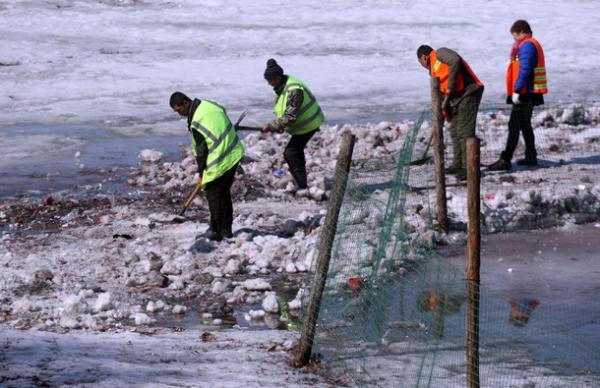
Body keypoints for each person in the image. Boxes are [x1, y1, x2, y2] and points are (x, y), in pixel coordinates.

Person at [169, 92, 244, 242]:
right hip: (234, 151)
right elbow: (222, 114)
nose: (179, 114)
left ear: (185, 103)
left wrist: (203, 173)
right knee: (223, 192)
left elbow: (202, 151)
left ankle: (215, 231)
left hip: (220, 159)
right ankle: (226, 230)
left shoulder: (196, 121)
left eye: (179, 110)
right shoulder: (209, 104)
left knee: (212, 192)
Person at [417, 45, 484, 180]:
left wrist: (450, 88)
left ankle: (469, 168)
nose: (422, 66)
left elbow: (455, 61)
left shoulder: (440, 53)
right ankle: (458, 164)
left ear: (424, 57)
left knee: (464, 131)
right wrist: (443, 111)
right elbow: (441, 93)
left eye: (420, 63)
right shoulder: (433, 71)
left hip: (469, 92)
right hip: (456, 99)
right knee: (454, 131)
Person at [490, 20, 548, 171]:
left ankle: (506, 159)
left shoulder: (527, 45)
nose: (514, 39)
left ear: (521, 31)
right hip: (528, 92)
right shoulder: (527, 44)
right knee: (524, 125)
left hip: (525, 93)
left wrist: (516, 90)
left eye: (515, 35)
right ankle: (531, 157)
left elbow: (525, 70)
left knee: (514, 125)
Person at [261, 58, 324, 190]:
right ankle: (301, 183)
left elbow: (290, 116)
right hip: (303, 125)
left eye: (270, 80)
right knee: (293, 152)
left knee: (291, 152)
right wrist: (280, 126)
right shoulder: (282, 86)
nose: (269, 84)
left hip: (309, 123)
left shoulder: (294, 89)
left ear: (278, 77)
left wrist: (273, 126)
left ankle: (302, 186)